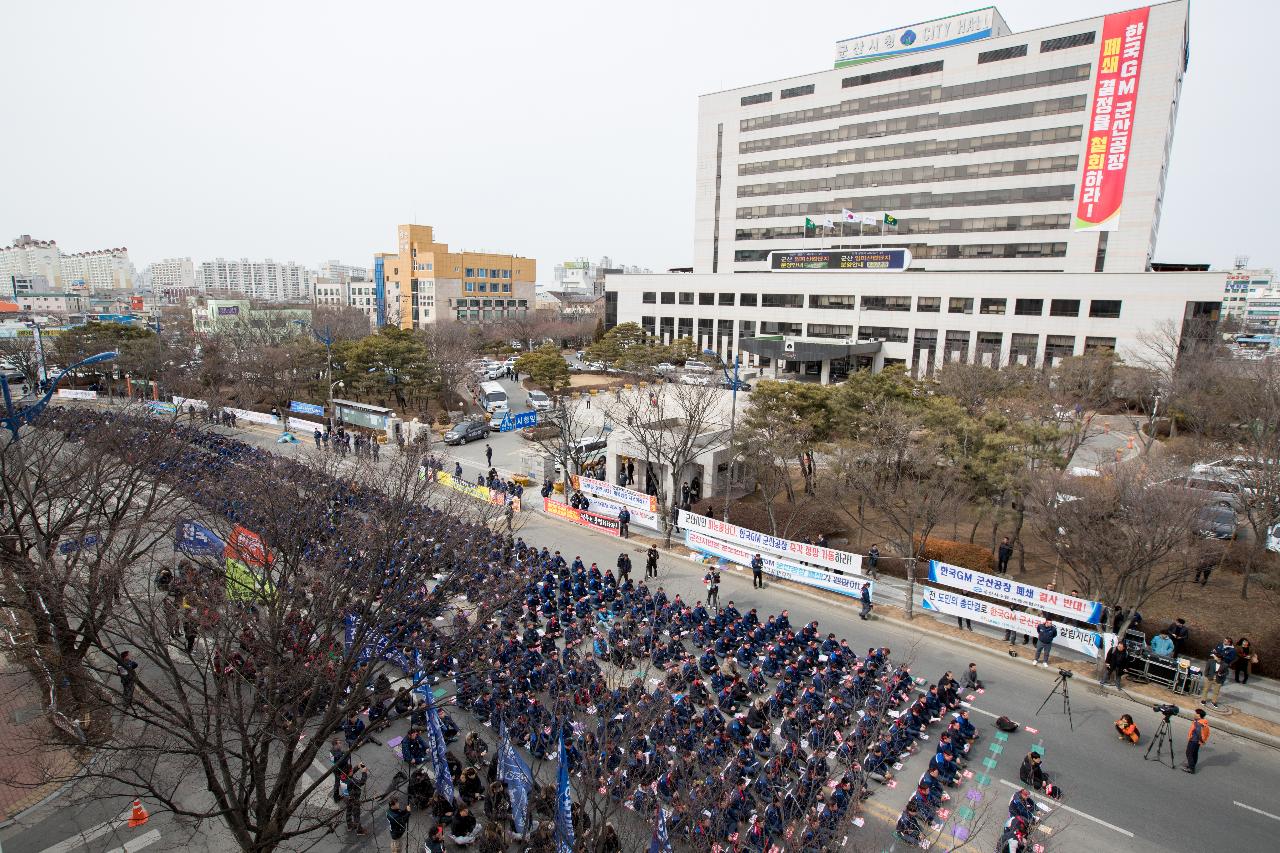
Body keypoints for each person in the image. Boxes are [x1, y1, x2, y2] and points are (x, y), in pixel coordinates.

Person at [1201, 638, 1236, 707]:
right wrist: (1206, 675)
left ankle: (1214, 701)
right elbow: (1207, 668)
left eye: (1226, 641)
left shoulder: (1232, 650)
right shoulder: (1211, 661)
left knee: (1216, 691)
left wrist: (1221, 675)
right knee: (1206, 689)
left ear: (1229, 643)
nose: (1224, 641)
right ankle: (1203, 700)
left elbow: (1226, 671)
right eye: (1224, 640)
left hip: (1219, 676)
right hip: (1210, 677)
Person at [1184, 709, 1211, 774]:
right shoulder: (1203, 722)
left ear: (1199, 716)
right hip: (1197, 741)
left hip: (1194, 740)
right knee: (1194, 753)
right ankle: (1192, 765)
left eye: (1196, 713)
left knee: (1189, 753)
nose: (1194, 714)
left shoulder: (1198, 724)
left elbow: (1199, 733)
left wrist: (1202, 741)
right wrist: (1202, 741)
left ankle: (1191, 768)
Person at [344, 761, 368, 834]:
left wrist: (357, 767)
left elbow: (350, 773)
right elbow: (362, 782)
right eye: (351, 770)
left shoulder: (342, 776)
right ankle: (359, 830)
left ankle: (349, 825)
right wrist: (364, 772)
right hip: (354, 799)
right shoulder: (352, 781)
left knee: (348, 811)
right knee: (356, 815)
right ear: (349, 771)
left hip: (347, 797)